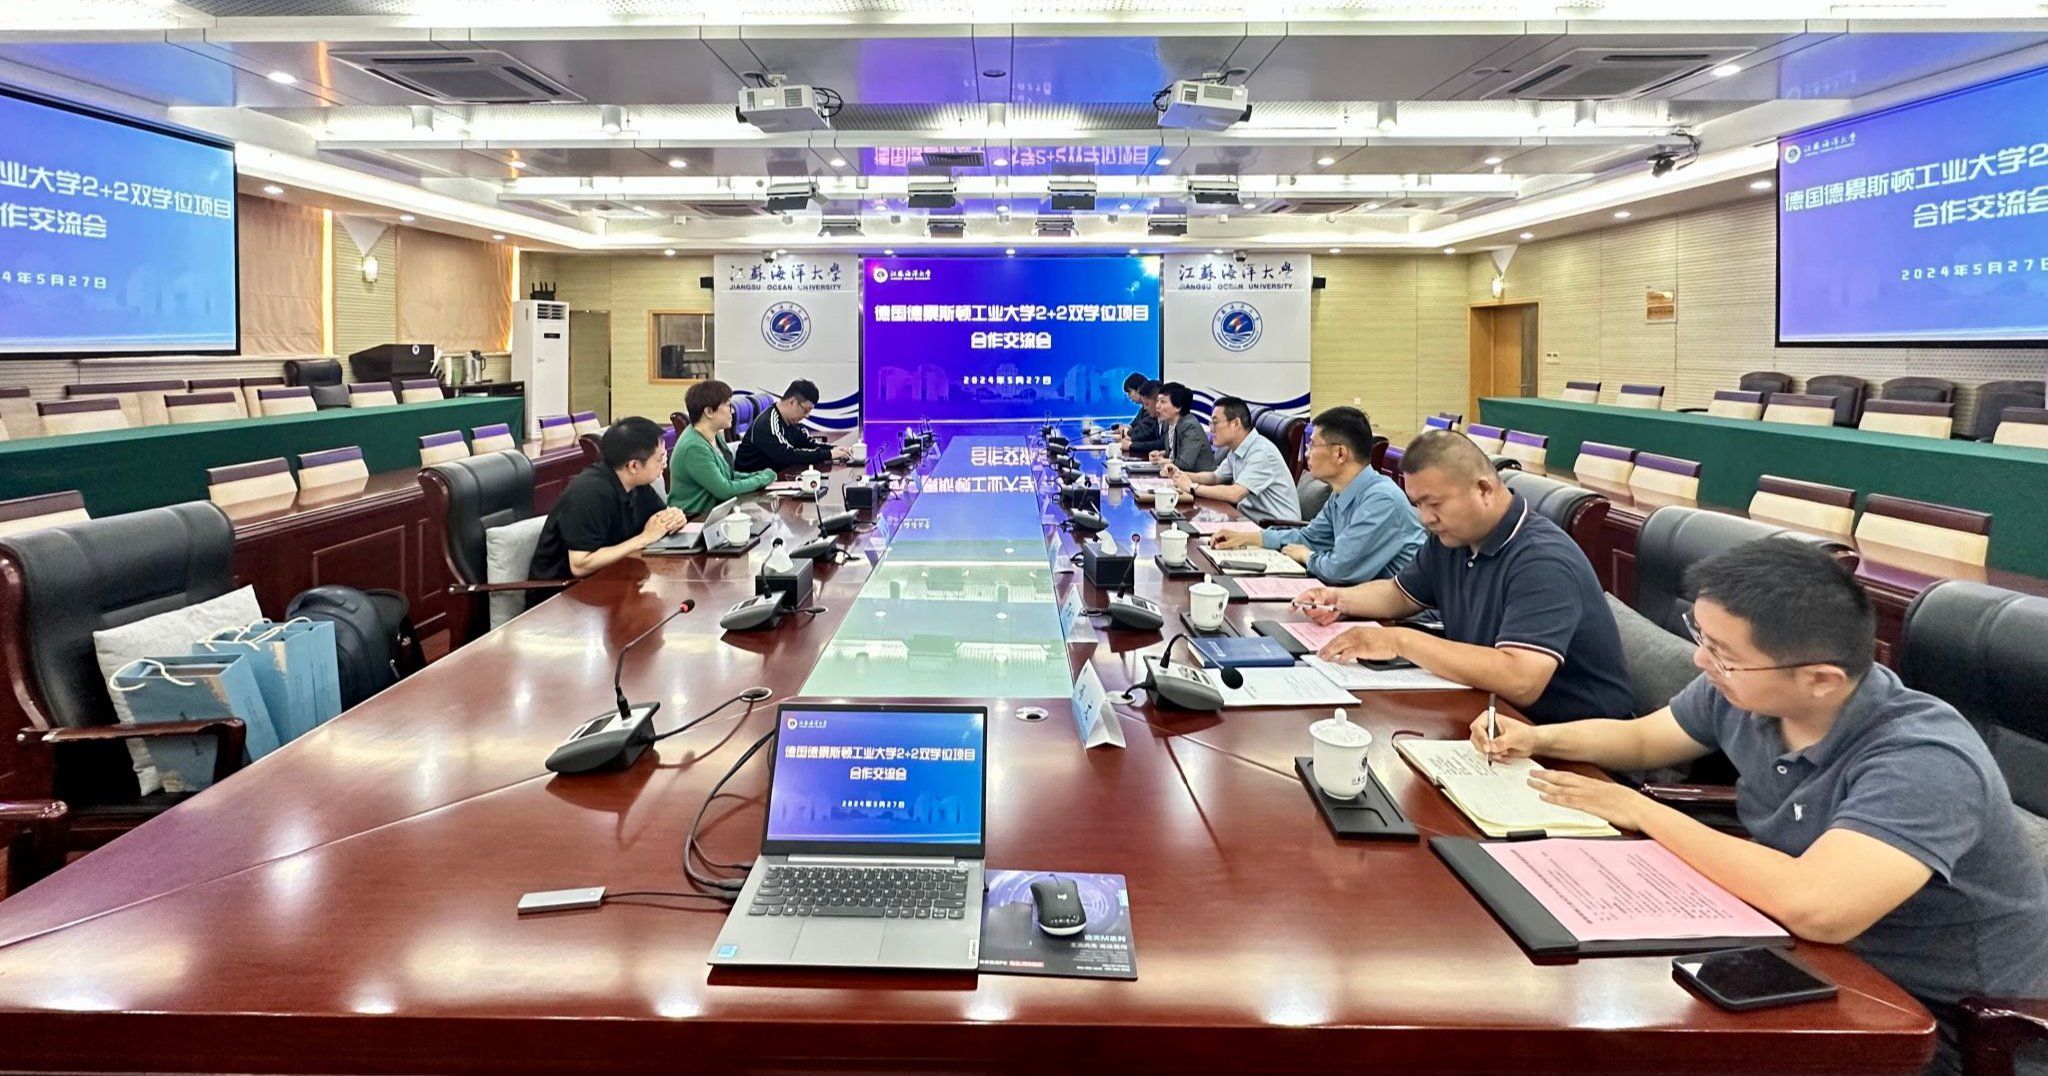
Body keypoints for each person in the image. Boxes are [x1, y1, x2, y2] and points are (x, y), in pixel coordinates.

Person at [1478, 539, 2048, 1074]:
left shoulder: (1923, 758)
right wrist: (1538, 738)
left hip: (1938, 1026)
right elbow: (1646, 739)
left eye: (1723, 654)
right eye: (1702, 637)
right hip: (1799, 959)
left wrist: (1643, 811)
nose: (1701, 661)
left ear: (1820, 679)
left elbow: (1819, 907)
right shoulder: (1748, 692)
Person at [1300, 428, 1634, 722]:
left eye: (1434, 504)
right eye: (1418, 504)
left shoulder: (1543, 561)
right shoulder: (1453, 538)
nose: (1425, 518)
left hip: (1570, 741)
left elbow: (1521, 678)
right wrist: (1338, 599)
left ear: (1484, 489)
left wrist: (1399, 641)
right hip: (1490, 716)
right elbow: (1400, 594)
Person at [1212, 406, 1423, 585]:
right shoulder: (1341, 493)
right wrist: (1249, 537)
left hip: (1406, 616)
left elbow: (1339, 570)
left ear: (1340, 454)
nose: (1306, 453)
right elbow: (1309, 537)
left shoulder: (1381, 499)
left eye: (1312, 445)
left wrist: (1306, 555)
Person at [525, 415, 685, 607]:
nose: (664, 464)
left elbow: (657, 520)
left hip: (611, 581)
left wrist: (673, 519)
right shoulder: (589, 493)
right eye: (660, 459)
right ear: (633, 466)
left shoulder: (636, 483)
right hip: (562, 599)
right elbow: (580, 564)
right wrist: (643, 539)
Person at [1163, 396, 1301, 522]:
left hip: (1278, 528)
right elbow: (1214, 477)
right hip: (1249, 520)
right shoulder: (1238, 448)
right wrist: (1180, 474)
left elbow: (1235, 494)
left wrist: (1192, 487)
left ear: (1236, 423)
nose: (1211, 429)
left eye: (1215, 423)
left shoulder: (1261, 452)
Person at [669, 379, 775, 516]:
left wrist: (759, 475)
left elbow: (728, 475)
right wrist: (763, 478)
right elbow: (724, 490)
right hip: (694, 518)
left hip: (715, 512)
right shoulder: (694, 446)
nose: (733, 411)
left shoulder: (714, 435)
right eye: (728, 405)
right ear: (709, 411)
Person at [734, 379, 851, 473]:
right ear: (793, 402)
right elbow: (787, 456)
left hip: (775, 477)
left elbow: (808, 444)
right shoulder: (768, 423)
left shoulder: (791, 421)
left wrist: (836, 449)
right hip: (753, 486)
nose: (807, 416)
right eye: (806, 410)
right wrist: (829, 454)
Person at [1148, 381, 1217, 473]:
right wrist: (1160, 455)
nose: (1157, 406)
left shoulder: (1190, 426)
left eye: (1163, 402)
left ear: (1178, 407)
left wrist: (1163, 461)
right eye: (1157, 401)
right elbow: (1173, 454)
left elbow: (1185, 464)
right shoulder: (1168, 423)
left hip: (1199, 478)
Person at [1111, 372, 1161, 448]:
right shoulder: (1144, 408)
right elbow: (1136, 425)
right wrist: (1127, 430)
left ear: (1138, 389)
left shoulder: (1152, 410)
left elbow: (1144, 432)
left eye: (1129, 392)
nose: (1128, 397)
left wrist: (1126, 433)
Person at [1119, 380, 1166, 457]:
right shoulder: (1158, 420)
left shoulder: (1168, 421)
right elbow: (1149, 434)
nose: (1145, 408)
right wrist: (1131, 439)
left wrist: (1131, 445)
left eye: (1147, 404)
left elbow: (1160, 444)